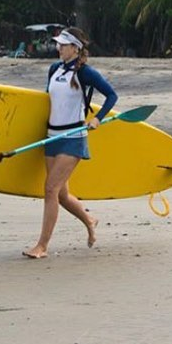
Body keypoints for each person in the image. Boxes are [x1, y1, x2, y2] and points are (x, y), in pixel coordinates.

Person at [22, 27, 118, 259]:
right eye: (58, 44)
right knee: (62, 194)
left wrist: (97, 118)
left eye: (63, 45)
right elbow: (48, 102)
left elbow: (112, 95)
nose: (59, 48)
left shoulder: (86, 73)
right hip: (52, 137)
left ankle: (42, 246)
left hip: (73, 138)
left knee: (50, 189)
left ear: (75, 48)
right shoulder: (54, 70)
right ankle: (89, 220)